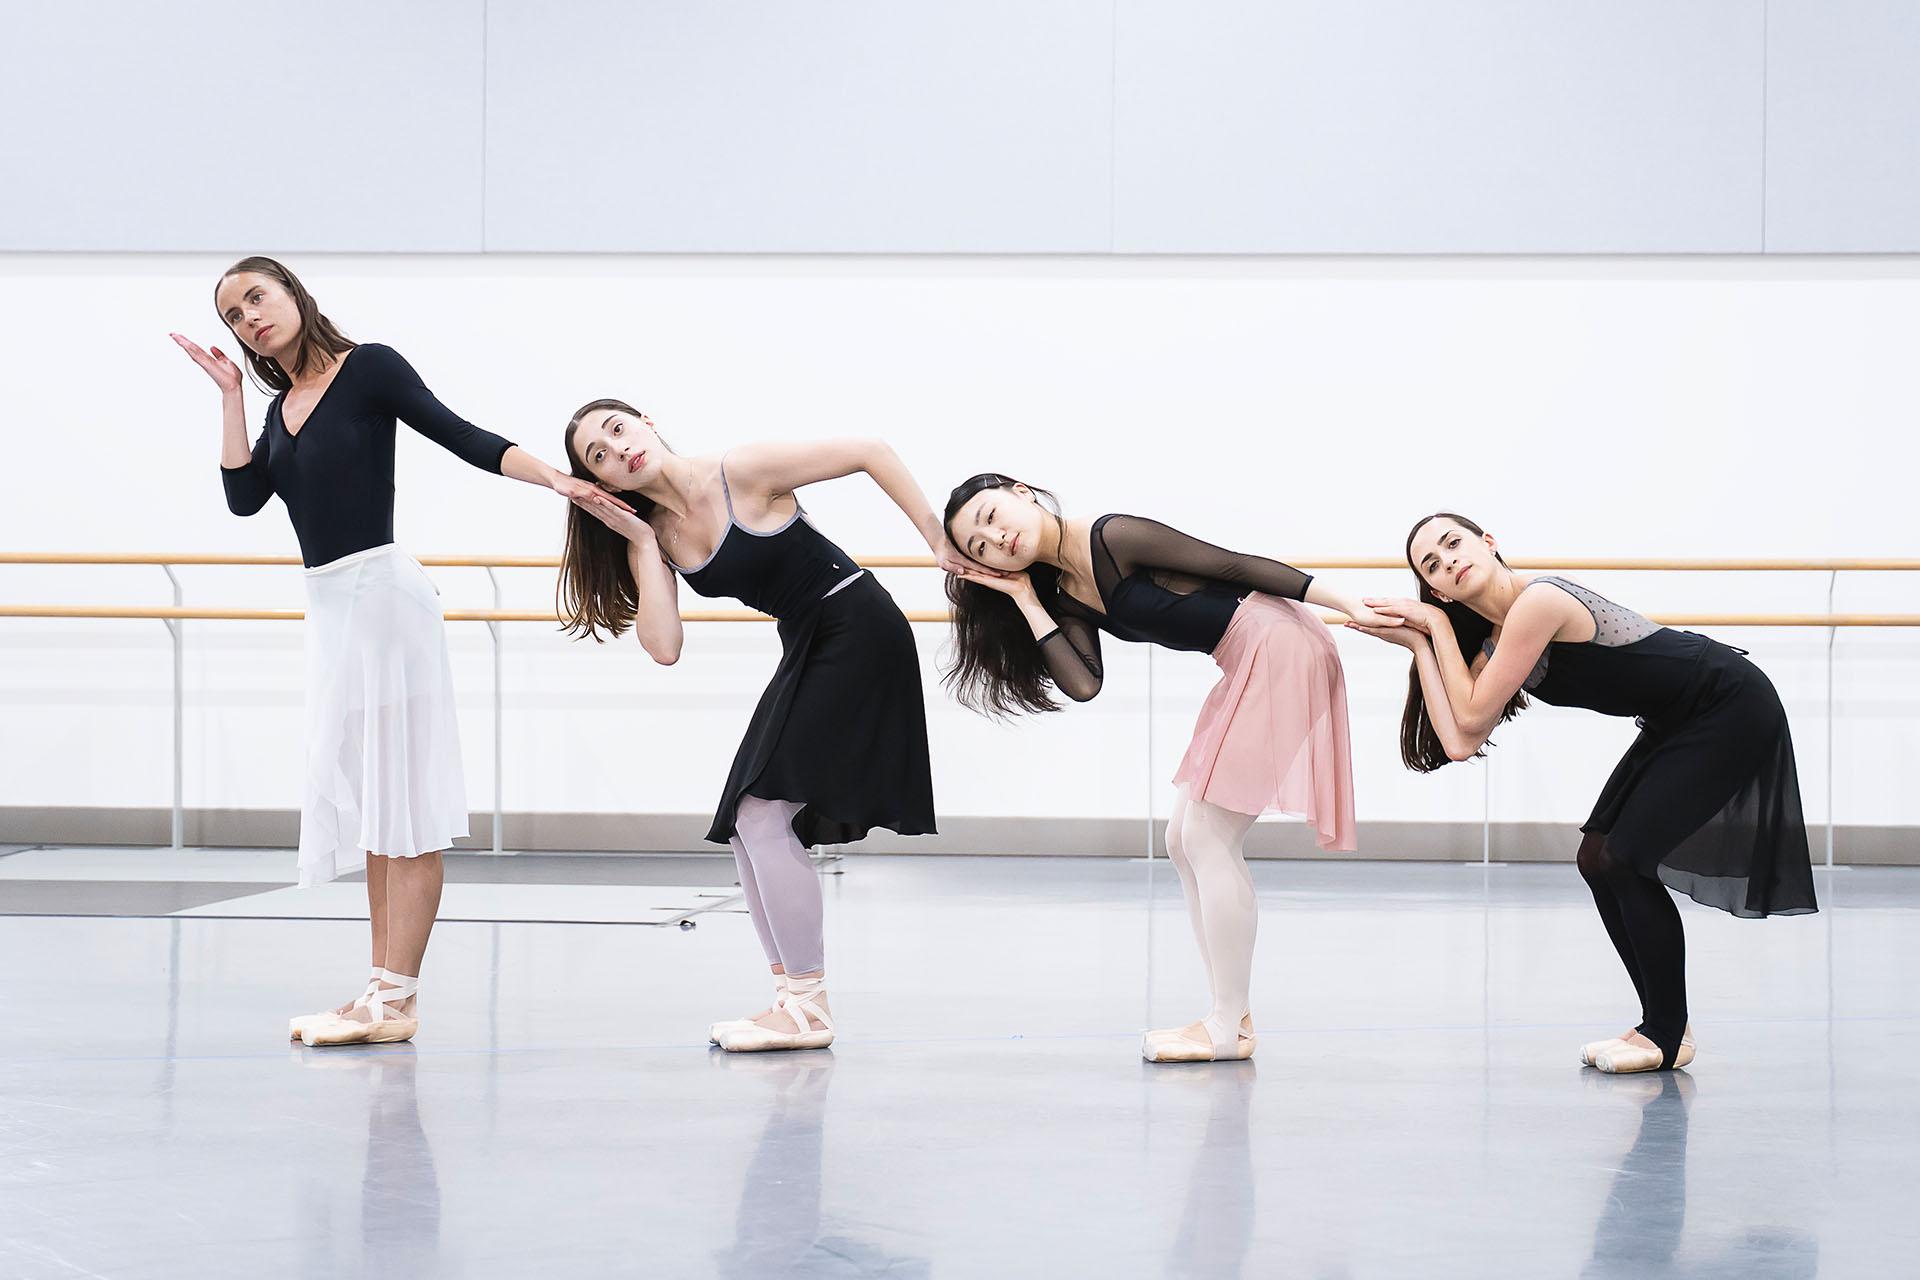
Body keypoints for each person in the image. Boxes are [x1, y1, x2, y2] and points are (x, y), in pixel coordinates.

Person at [171, 256, 623, 1046]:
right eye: (235, 316)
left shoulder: (368, 369)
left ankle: (397, 997)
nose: (250, 318)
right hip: (334, 615)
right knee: (378, 805)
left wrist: (558, 480)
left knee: (405, 804)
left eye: (258, 297)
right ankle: (383, 990)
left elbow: (461, 435)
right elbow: (244, 499)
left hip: (384, 602)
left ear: (294, 296)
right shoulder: (280, 411)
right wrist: (233, 398)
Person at [942, 473, 1389, 1062]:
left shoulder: (1113, 536)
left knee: (1207, 837)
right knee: (1182, 839)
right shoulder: (1064, 589)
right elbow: (1083, 684)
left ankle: (1229, 1025)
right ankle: (1231, 1017)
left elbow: (1235, 566)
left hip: (1277, 642)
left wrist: (1346, 602)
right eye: (980, 546)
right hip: (1247, 656)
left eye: (993, 517)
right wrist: (1025, 599)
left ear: (1022, 493)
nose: (998, 539)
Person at [1349, 512, 1818, 1073]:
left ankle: (1666, 1035)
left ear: (1488, 543)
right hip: (1678, 717)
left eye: (1454, 544)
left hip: (1727, 701)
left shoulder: (1538, 602)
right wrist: (1420, 646)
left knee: (1624, 859)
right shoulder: (1494, 642)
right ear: (1436, 587)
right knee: (1597, 858)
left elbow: (1470, 710)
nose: (1448, 560)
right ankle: (1662, 1026)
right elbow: (1459, 740)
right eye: (1433, 564)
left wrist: (1434, 626)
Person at [559, 400, 955, 1051]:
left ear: (648, 422)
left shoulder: (738, 471)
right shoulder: (657, 533)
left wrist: (936, 540)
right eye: (599, 455)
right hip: (809, 638)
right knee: (747, 820)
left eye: (618, 428)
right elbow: (663, 646)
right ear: (604, 485)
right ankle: (791, 1000)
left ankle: (808, 1005)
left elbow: (871, 451)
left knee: (763, 812)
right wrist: (639, 544)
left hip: (856, 622)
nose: (617, 448)